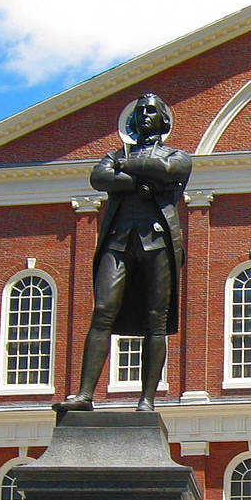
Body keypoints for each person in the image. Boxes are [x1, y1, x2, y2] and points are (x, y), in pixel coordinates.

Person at [54, 93, 191, 414]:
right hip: (118, 241)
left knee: (155, 321)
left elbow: (169, 169)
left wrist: (124, 172)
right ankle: (85, 395)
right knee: (103, 309)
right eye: (140, 111)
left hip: (158, 243)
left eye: (152, 111)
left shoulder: (177, 155)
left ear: (164, 121)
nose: (144, 115)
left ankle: (147, 400)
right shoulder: (114, 155)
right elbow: (98, 177)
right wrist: (139, 182)